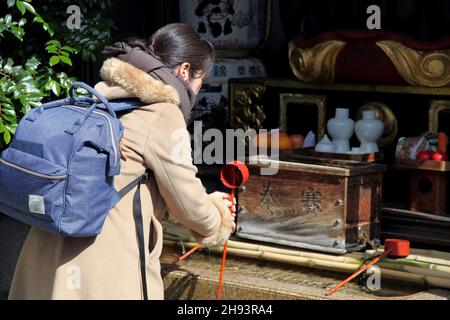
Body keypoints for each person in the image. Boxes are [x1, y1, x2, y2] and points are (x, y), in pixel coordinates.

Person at [8, 23, 235, 300]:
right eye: (201, 79)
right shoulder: (162, 112)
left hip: (43, 257)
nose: (198, 90)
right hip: (103, 268)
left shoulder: (100, 97)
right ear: (185, 71)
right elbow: (185, 198)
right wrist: (217, 219)